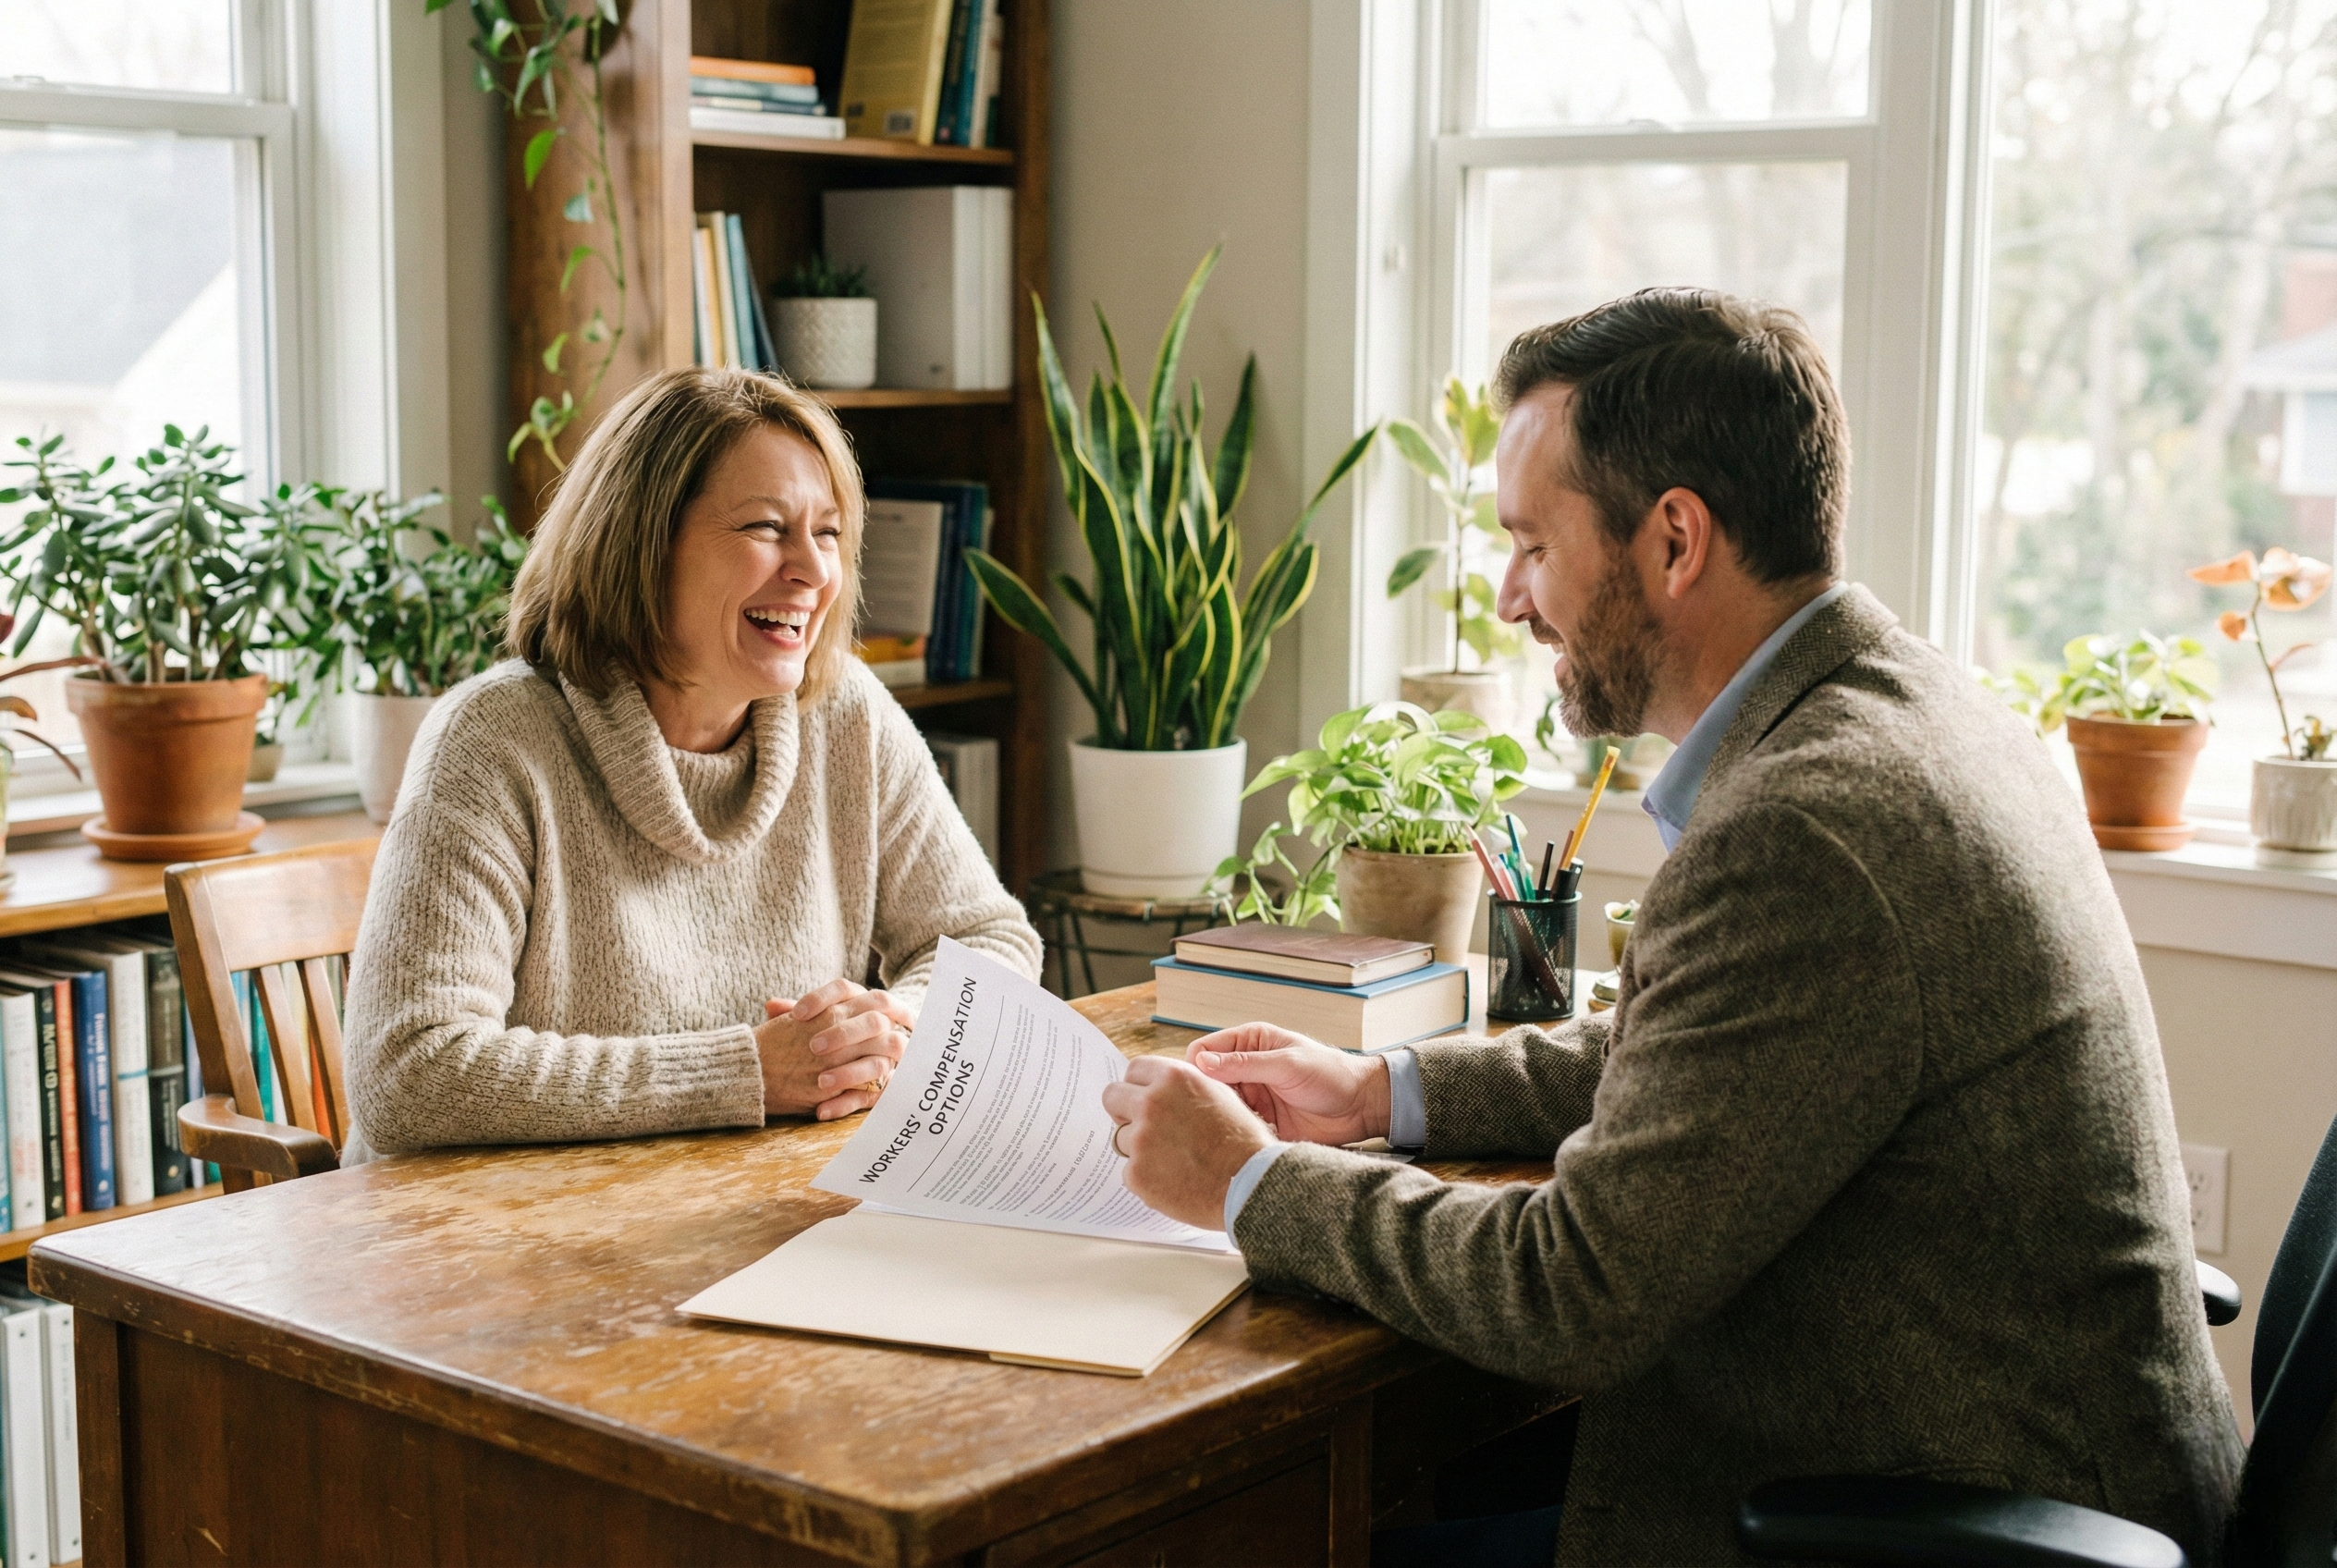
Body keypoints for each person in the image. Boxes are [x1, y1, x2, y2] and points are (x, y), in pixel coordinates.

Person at [1100, 290, 2245, 1564]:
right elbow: (1703, 1058)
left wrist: (1248, 1180)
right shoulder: (1914, 708)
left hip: (1933, 1515)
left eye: (1533, 546)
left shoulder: (1805, 825)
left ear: (1674, 541)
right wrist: (1382, 1094)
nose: (1511, 599)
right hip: (2000, 1464)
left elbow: (1570, 1291)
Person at [341, 368, 1040, 1164]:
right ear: (641, 543)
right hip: (493, 1226)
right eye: (767, 527)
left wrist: (888, 1033)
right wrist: (746, 1072)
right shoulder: (493, 739)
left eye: (828, 533)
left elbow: (989, 939)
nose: (813, 571)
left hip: (735, 1197)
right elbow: (408, 1074)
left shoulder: (847, 714)